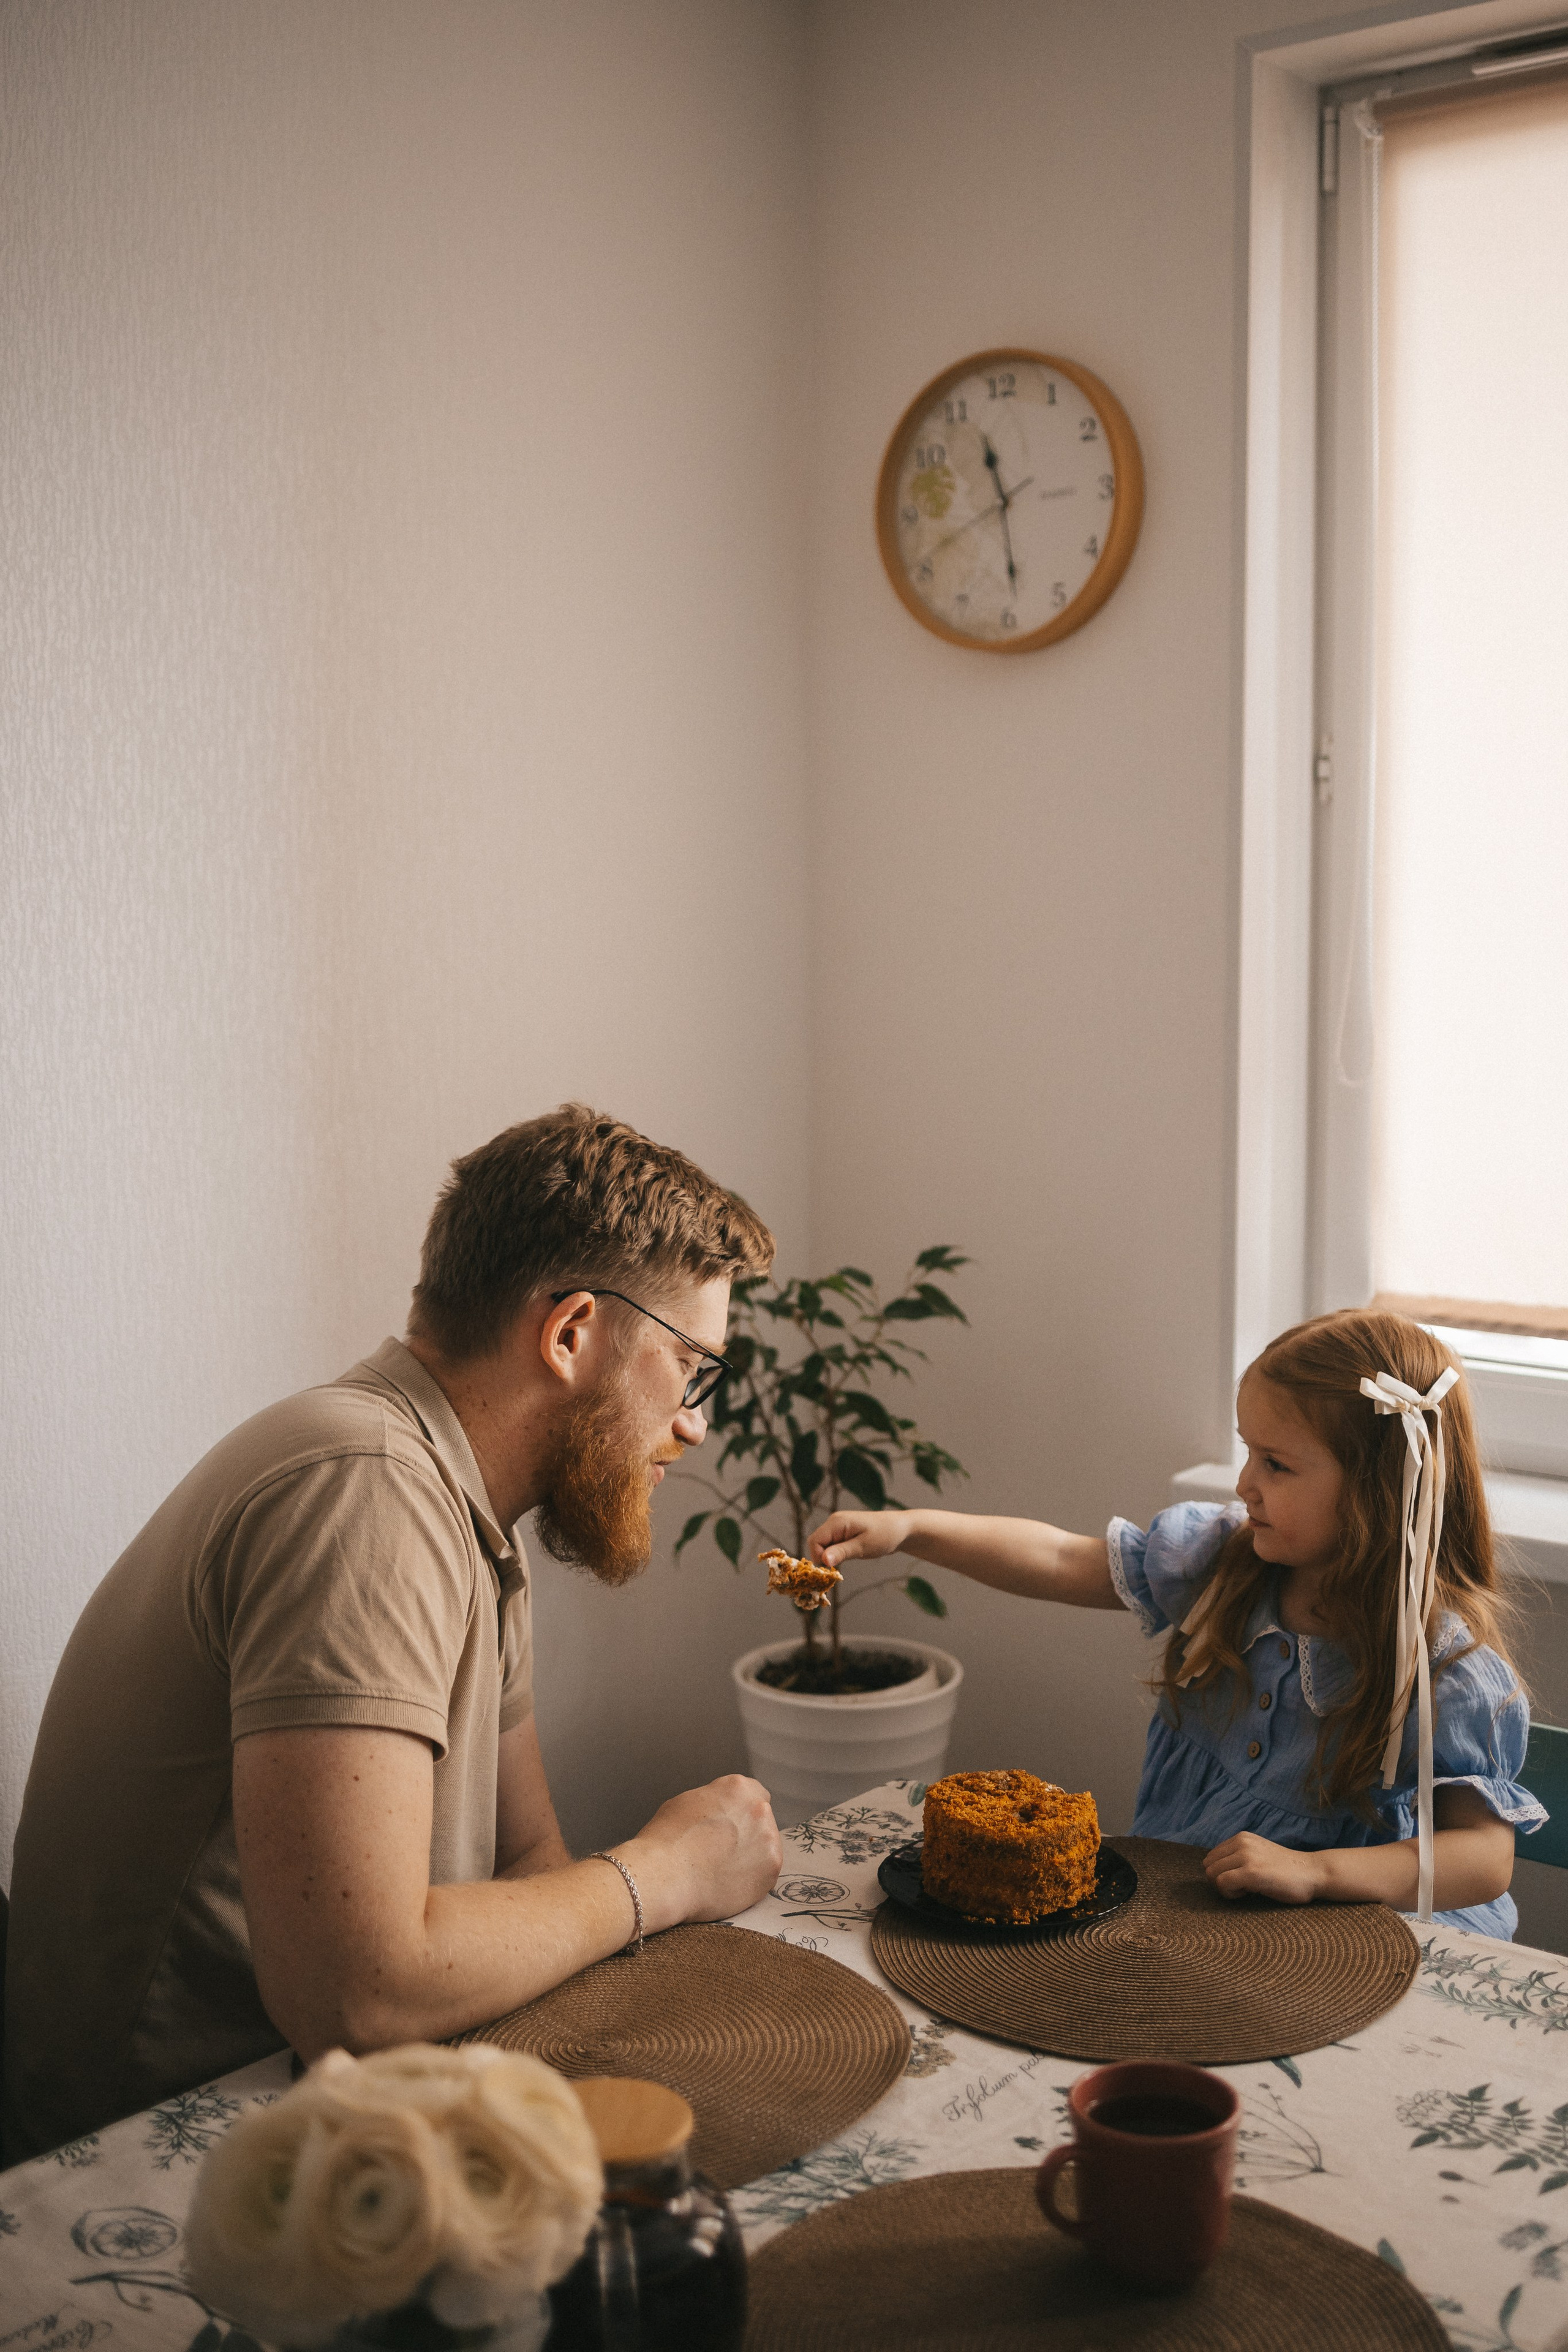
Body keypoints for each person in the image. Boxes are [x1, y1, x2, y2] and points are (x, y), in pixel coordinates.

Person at [2, 1106, 782, 2162]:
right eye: (693, 1368)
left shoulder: (461, 1507)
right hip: (149, 2158)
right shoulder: (363, 1489)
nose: (695, 1423)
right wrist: (671, 1871)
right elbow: (355, 1993)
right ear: (570, 1334)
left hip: (325, 2112)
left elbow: (527, 1861)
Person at [812, 1308, 1544, 1938]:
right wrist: (911, 1529)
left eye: (1277, 1465)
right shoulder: (1219, 1565)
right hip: (1192, 1916)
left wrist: (1315, 1871)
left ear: (1379, 1491)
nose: (1244, 1483)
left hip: (1354, 1939)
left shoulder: (1443, 1670)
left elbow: (1480, 1859)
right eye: (1246, 1450)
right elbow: (1062, 1559)